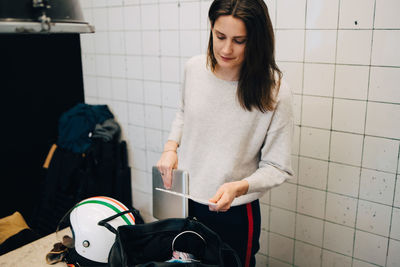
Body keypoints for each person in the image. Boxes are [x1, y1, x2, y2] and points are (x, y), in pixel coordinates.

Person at [157, 0, 294, 266]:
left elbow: (278, 167)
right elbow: (184, 112)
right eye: (220, 36)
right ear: (211, 28)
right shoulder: (194, 68)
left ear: (256, 40)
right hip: (185, 200)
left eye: (239, 41)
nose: (226, 49)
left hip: (235, 210)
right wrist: (170, 147)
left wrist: (239, 186)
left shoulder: (276, 91)